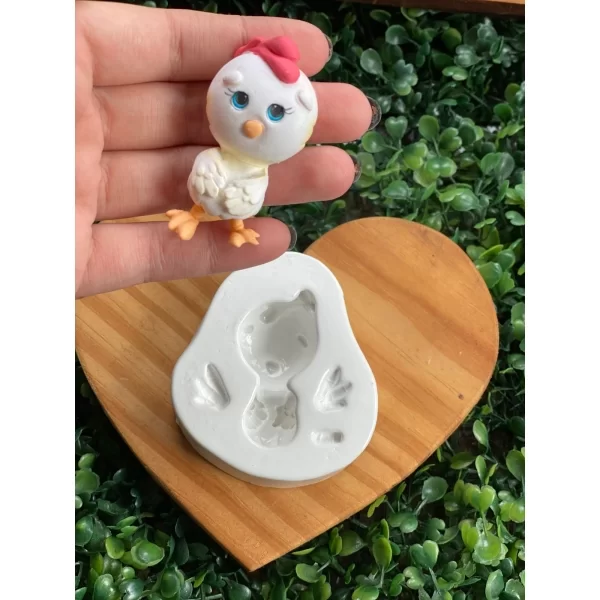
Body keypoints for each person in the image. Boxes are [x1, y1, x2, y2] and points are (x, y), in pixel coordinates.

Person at [76, 1, 376, 298]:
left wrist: (244, 198)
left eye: (276, 112)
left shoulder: (263, 163)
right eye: (240, 100)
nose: (253, 126)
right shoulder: (216, 148)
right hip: (217, 168)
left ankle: (236, 227)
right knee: (207, 171)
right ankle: (194, 216)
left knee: (246, 192)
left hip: (249, 179)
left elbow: (253, 190)